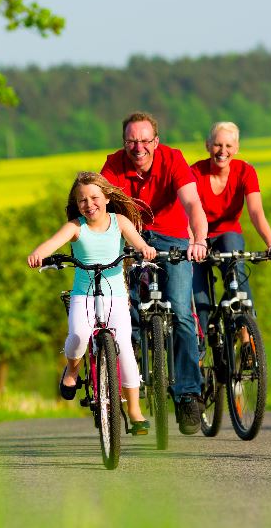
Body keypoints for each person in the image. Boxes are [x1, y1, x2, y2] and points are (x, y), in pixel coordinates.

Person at [100, 111, 209, 435]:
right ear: (124, 142)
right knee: (123, 310)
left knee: (181, 313)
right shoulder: (114, 165)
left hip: (172, 236)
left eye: (145, 140)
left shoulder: (173, 159)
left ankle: (188, 394)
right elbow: (101, 207)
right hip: (130, 237)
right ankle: (129, 374)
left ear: (156, 141)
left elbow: (192, 203)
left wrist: (199, 239)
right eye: (132, 140)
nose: (139, 147)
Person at [27, 171, 157, 435]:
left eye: (94, 197)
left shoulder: (120, 222)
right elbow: (52, 243)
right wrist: (38, 255)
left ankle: (134, 411)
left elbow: (139, 243)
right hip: (83, 295)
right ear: (77, 204)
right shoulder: (76, 227)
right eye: (82, 200)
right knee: (78, 336)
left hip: (116, 297)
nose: (89, 204)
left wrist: (146, 250)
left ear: (107, 197)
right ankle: (72, 370)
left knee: (125, 350)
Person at [190, 121, 271, 354]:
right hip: (198, 235)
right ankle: (200, 357)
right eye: (217, 144)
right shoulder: (195, 172)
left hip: (227, 233)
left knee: (236, 269)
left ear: (236, 148)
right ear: (208, 146)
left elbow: (256, 212)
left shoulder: (245, 172)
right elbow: (186, 212)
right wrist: (193, 243)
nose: (222, 151)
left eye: (228, 145)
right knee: (199, 297)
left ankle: (247, 337)